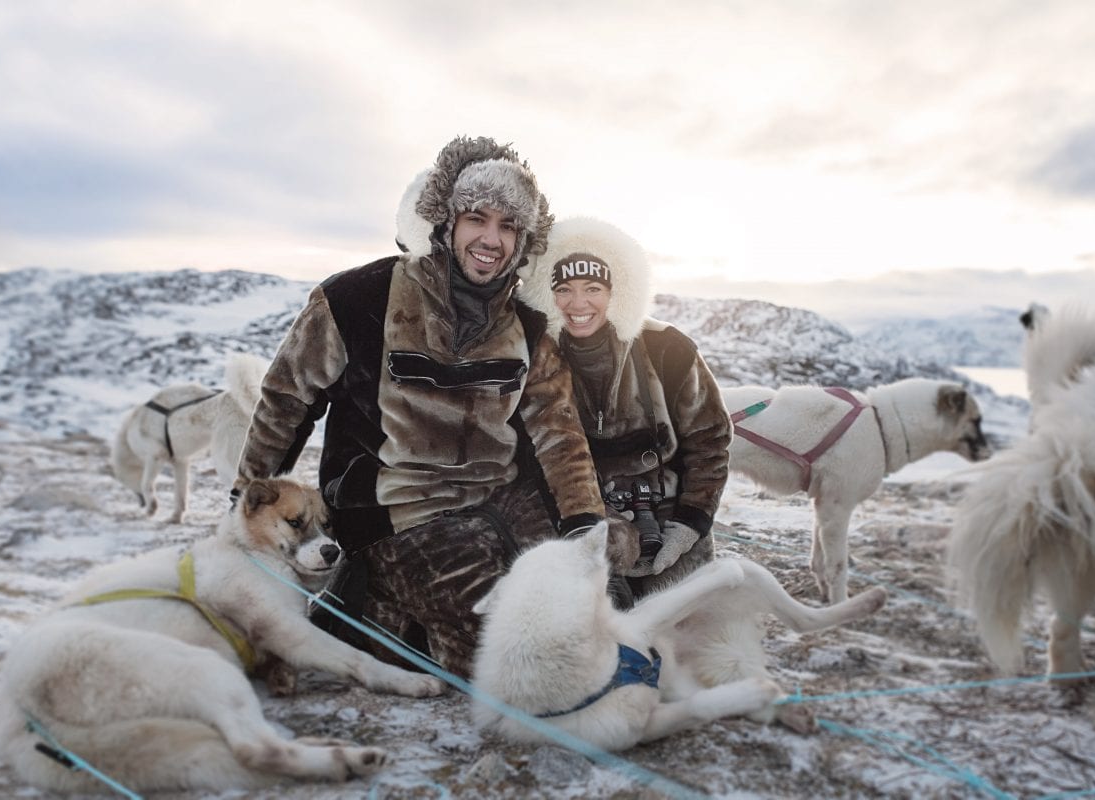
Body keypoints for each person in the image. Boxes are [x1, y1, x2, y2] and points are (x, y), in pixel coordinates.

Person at [235, 137, 638, 677]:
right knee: (506, 647)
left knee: (597, 595)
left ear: (524, 242)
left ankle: (397, 617)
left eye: (509, 226)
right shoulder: (358, 300)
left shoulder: (529, 327)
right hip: (397, 509)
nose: (491, 239)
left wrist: (586, 525)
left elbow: (559, 436)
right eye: (477, 218)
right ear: (446, 219)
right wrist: (246, 503)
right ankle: (371, 601)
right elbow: (286, 401)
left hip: (500, 495)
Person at [516, 217, 732, 605]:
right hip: (577, 518)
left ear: (616, 292)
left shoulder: (668, 350)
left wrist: (690, 521)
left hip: (668, 513)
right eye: (563, 289)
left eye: (593, 288)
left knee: (684, 625)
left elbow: (710, 440)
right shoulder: (534, 357)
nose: (578, 304)